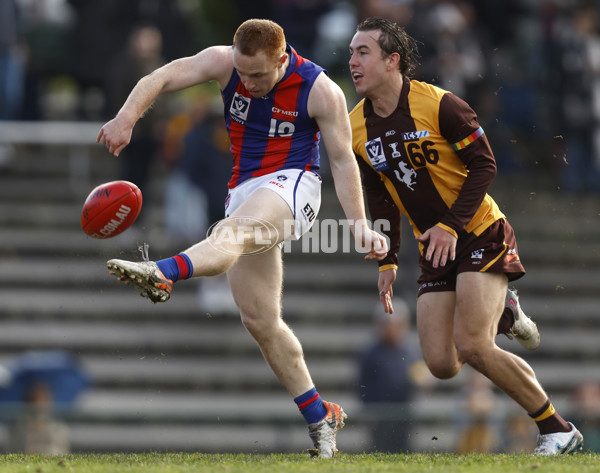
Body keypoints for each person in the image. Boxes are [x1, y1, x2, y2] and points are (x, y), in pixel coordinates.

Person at [97, 18, 388, 458]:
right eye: (243, 73)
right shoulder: (223, 62)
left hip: (294, 185)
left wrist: (359, 225)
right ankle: (320, 416)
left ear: (283, 58)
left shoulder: (320, 90)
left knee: (229, 233)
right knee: (260, 321)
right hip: (244, 190)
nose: (248, 83)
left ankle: (162, 271)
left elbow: (344, 161)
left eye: (258, 75)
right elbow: (160, 76)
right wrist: (126, 116)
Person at [348, 17, 583, 455]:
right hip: (434, 247)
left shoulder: (440, 105)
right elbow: (378, 197)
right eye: (350, 53)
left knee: (473, 345)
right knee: (441, 364)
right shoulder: (355, 127)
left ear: (393, 61)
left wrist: (450, 225)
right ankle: (504, 311)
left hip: (478, 231)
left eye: (363, 52)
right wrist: (388, 260)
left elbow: (485, 165)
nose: (352, 61)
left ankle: (557, 429)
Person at [356, 298, 432, 452]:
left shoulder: (411, 351)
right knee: (380, 452)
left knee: (403, 452)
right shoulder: (370, 353)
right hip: (379, 415)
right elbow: (360, 385)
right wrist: (367, 411)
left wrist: (425, 382)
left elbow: (424, 377)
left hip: (404, 414)